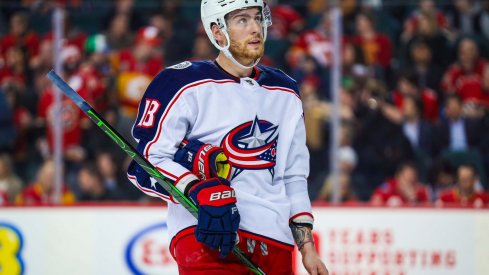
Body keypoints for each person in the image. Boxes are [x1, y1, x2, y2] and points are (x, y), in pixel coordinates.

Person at [127, 1, 328, 274]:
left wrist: (307, 247)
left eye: (258, 18)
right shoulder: (181, 84)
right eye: (242, 20)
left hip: (275, 241)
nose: (256, 28)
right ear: (217, 32)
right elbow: (146, 161)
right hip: (206, 235)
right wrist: (195, 189)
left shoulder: (286, 91)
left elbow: (293, 175)